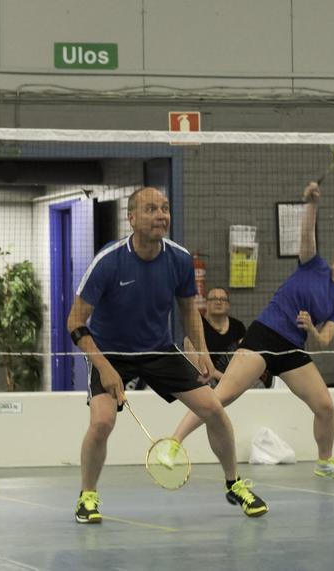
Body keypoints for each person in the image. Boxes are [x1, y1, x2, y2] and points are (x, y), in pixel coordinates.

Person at [67, 187, 268, 524]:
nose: (161, 215)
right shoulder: (109, 261)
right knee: (102, 422)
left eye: (164, 208)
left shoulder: (179, 259)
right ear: (132, 218)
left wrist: (201, 351)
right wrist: (104, 367)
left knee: (213, 409)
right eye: (151, 209)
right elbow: (74, 322)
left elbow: (189, 309)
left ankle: (234, 484)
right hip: (110, 352)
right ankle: (87, 496)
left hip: (159, 349)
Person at [170, 181, 334, 479]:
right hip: (265, 335)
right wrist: (311, 203)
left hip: (292, 349)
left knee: (325, 406)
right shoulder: (313, 265)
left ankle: (325, 461)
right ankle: (174, 443)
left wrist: (311, 328)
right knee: (222, 396)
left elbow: (324, 340)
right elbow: (307, 234)